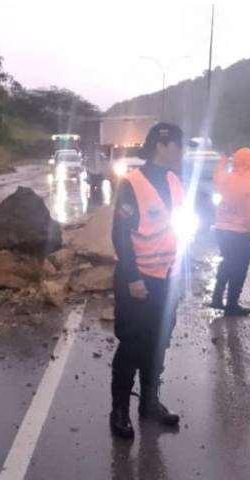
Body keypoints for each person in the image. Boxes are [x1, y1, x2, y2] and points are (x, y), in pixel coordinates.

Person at [109, 122, 186, 439]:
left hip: (167, 280)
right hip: (138, 282)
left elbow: (178, 230)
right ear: (162, 145)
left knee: (158, 344)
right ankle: (119, 411)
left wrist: (180, 274)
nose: (182, 152)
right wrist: (133, 277)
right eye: (179, 145)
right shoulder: (132, 183)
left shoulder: (175, 182)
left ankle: (149, 404)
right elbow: (120, 235)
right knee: (132, 346)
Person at [209, 147, 250, 316]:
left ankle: (217, 297)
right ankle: (232, 304)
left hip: (222, 230)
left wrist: (225, 158)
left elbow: (217, 172)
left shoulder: (224, 179)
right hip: (240, 235)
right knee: (239, 269)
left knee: (227, 262)